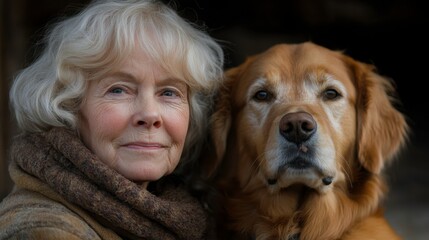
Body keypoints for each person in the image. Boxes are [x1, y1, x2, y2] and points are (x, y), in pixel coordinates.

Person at [0, 0, 224, 239]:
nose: (149, 115)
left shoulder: (178, 216)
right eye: (118, 90)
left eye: (169, 92)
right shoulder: (45, 231)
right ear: (67, 106)